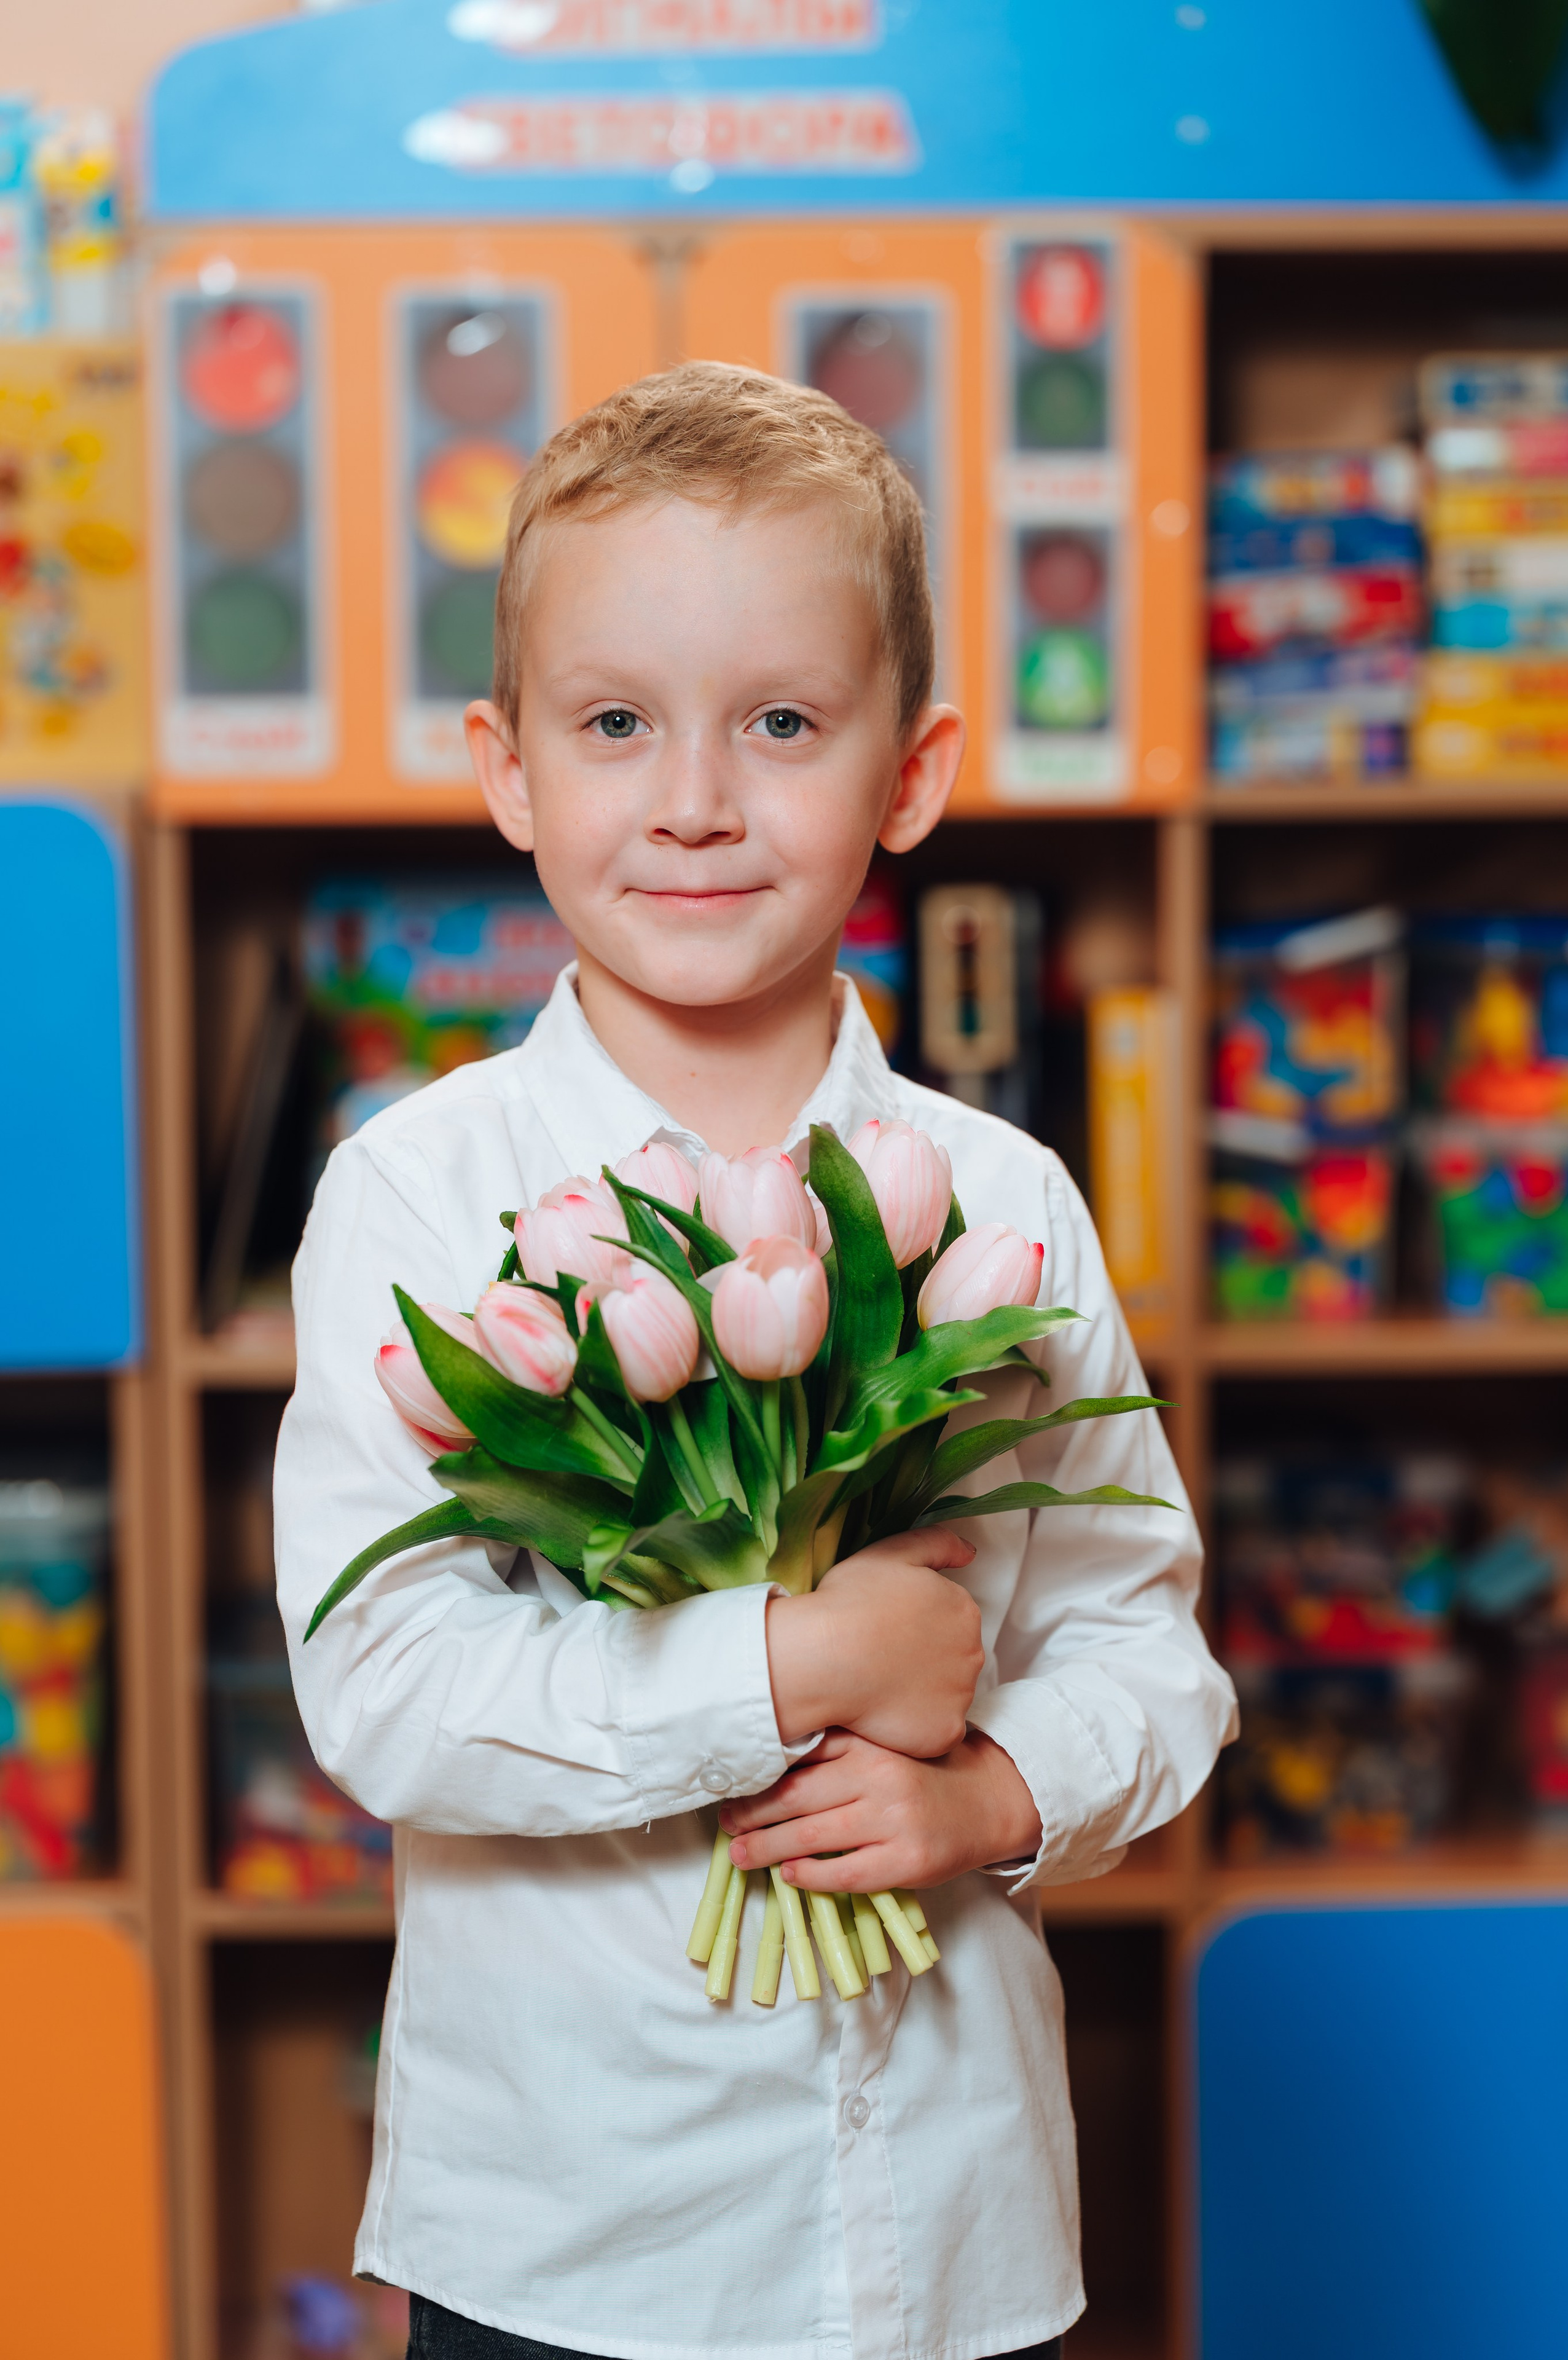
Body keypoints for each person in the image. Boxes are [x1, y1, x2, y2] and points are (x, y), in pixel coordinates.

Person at [274, 362, 1236, 2360]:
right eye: (616, 724)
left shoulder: (1006, 1200)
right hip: (569, 2229)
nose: (697, 799)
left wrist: (992, 1799)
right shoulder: (422, 1201)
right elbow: (387, 1689)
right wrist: (791, 1668)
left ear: (912, 773)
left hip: (941, 2225)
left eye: (783, 724)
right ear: (510, 767)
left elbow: (1150, 1653)